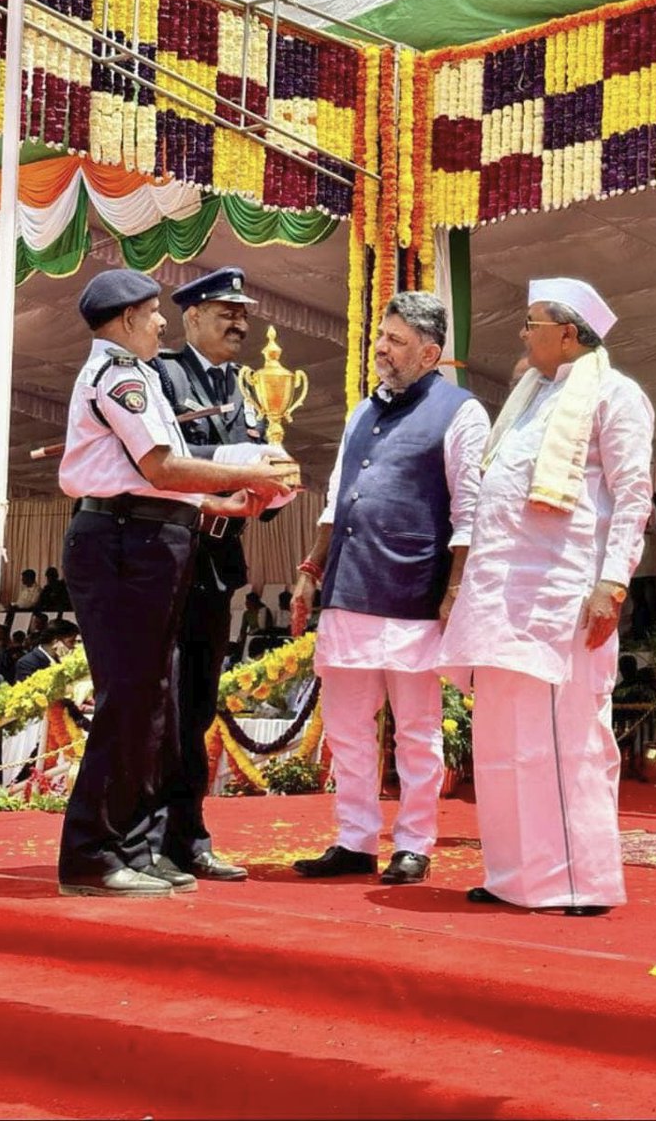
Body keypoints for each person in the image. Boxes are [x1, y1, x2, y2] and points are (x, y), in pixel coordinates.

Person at [56, 268, 299, 899]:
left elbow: (154, 477)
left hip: (154, 537)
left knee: (157, 704)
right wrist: (251, 475)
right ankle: (90, 851)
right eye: (154, 312)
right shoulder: (122, 376)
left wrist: (228, 502)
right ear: (129, 318)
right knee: (130, 701)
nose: (161, 322)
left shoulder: (136, 373)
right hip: (123, 542)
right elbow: (160, 466)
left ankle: (137, 844)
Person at [440, 277, 654, 916]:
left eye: (531, 322)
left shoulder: (616, 395)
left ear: (568, 333)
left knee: (566, 742)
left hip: (564, 594)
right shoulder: (530, 396)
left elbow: (633, 494)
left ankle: (578, 881)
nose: (522, 332)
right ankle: (515, 876)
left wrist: (612, 582)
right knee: (503, 741)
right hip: (504, 596)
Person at [291, 290, 490, 886]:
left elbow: (470, 510)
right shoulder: (359, 412)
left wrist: (455, 590)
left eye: (396, 342)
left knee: (417, 730)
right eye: (380, 337)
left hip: (413, 592)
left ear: (429, 354)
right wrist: (311, 568)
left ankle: (414, 842)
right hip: (349, 587)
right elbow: (334, 500)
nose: (381, 349)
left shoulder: (462, 412)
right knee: (348, 728)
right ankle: (354, 840)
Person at [148, 265, 294, 883]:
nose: (239, 323)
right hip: (167, 555)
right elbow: (162, 461)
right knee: (161, 703)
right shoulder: (160, 375)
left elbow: (263, 461)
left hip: (219, 564)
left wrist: (272, 487)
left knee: (200, 705)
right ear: (192, 318)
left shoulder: (248, 388)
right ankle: (147, 836)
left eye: (243, 314)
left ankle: (188, 835)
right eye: (225, 313)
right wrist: (238, 467)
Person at [630, 491, 656, 640]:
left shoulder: (655, 531)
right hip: (636, 575)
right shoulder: (634, 533)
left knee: (653, 607)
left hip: (651, 574)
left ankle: (655, 638)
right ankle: (639, 637)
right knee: (638, 606)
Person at [14, 619, 80, 682]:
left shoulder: (61, 658)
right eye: (71, 642)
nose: (74, 646)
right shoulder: (27, 663)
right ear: (56, 642)